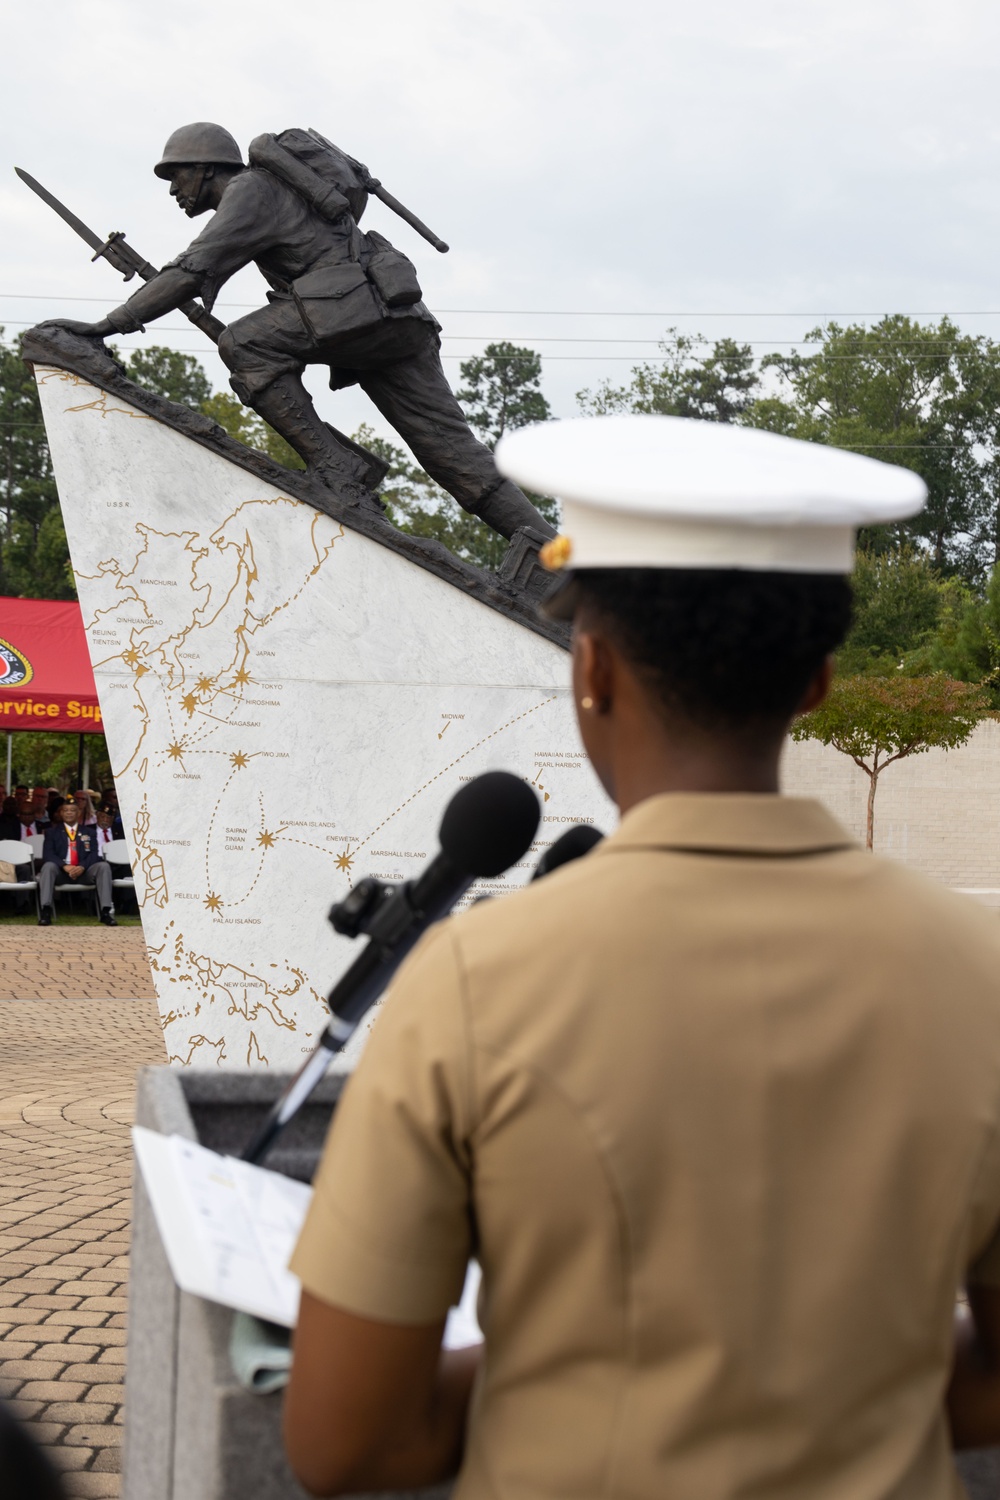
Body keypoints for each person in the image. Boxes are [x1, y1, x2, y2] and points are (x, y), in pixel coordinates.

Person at [283, 414, 1000, 1500]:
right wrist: (836, 1391)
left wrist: (582, 1381)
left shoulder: (478, 981)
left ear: (595, 670)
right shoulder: (981, 971)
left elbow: (348, 1441)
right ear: (815, 682)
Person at [49, 123, 552, 544]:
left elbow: (191, 270)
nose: (173, 189)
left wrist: (107, 326)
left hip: (358, 313)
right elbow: (199, 275)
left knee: (244, 343)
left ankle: (338, 470)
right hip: (398, 316)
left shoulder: (251, 191)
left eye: (176, 174)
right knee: (454, 454)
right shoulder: (279, 191)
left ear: (207, 167)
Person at [37, 799, 116, 927]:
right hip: (61, 873)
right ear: (61, 813)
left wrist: (82, 867)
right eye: (66, 810)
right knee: (48, 866)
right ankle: (46, 911)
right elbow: (48, 854)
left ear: (78, 813)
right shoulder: (52, 832)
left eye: (72, 810)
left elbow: (95, 853)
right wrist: (64, 866)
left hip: (84, 872)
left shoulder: (89, 832)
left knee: (103, 866)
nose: (69, 813)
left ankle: (105, 912)